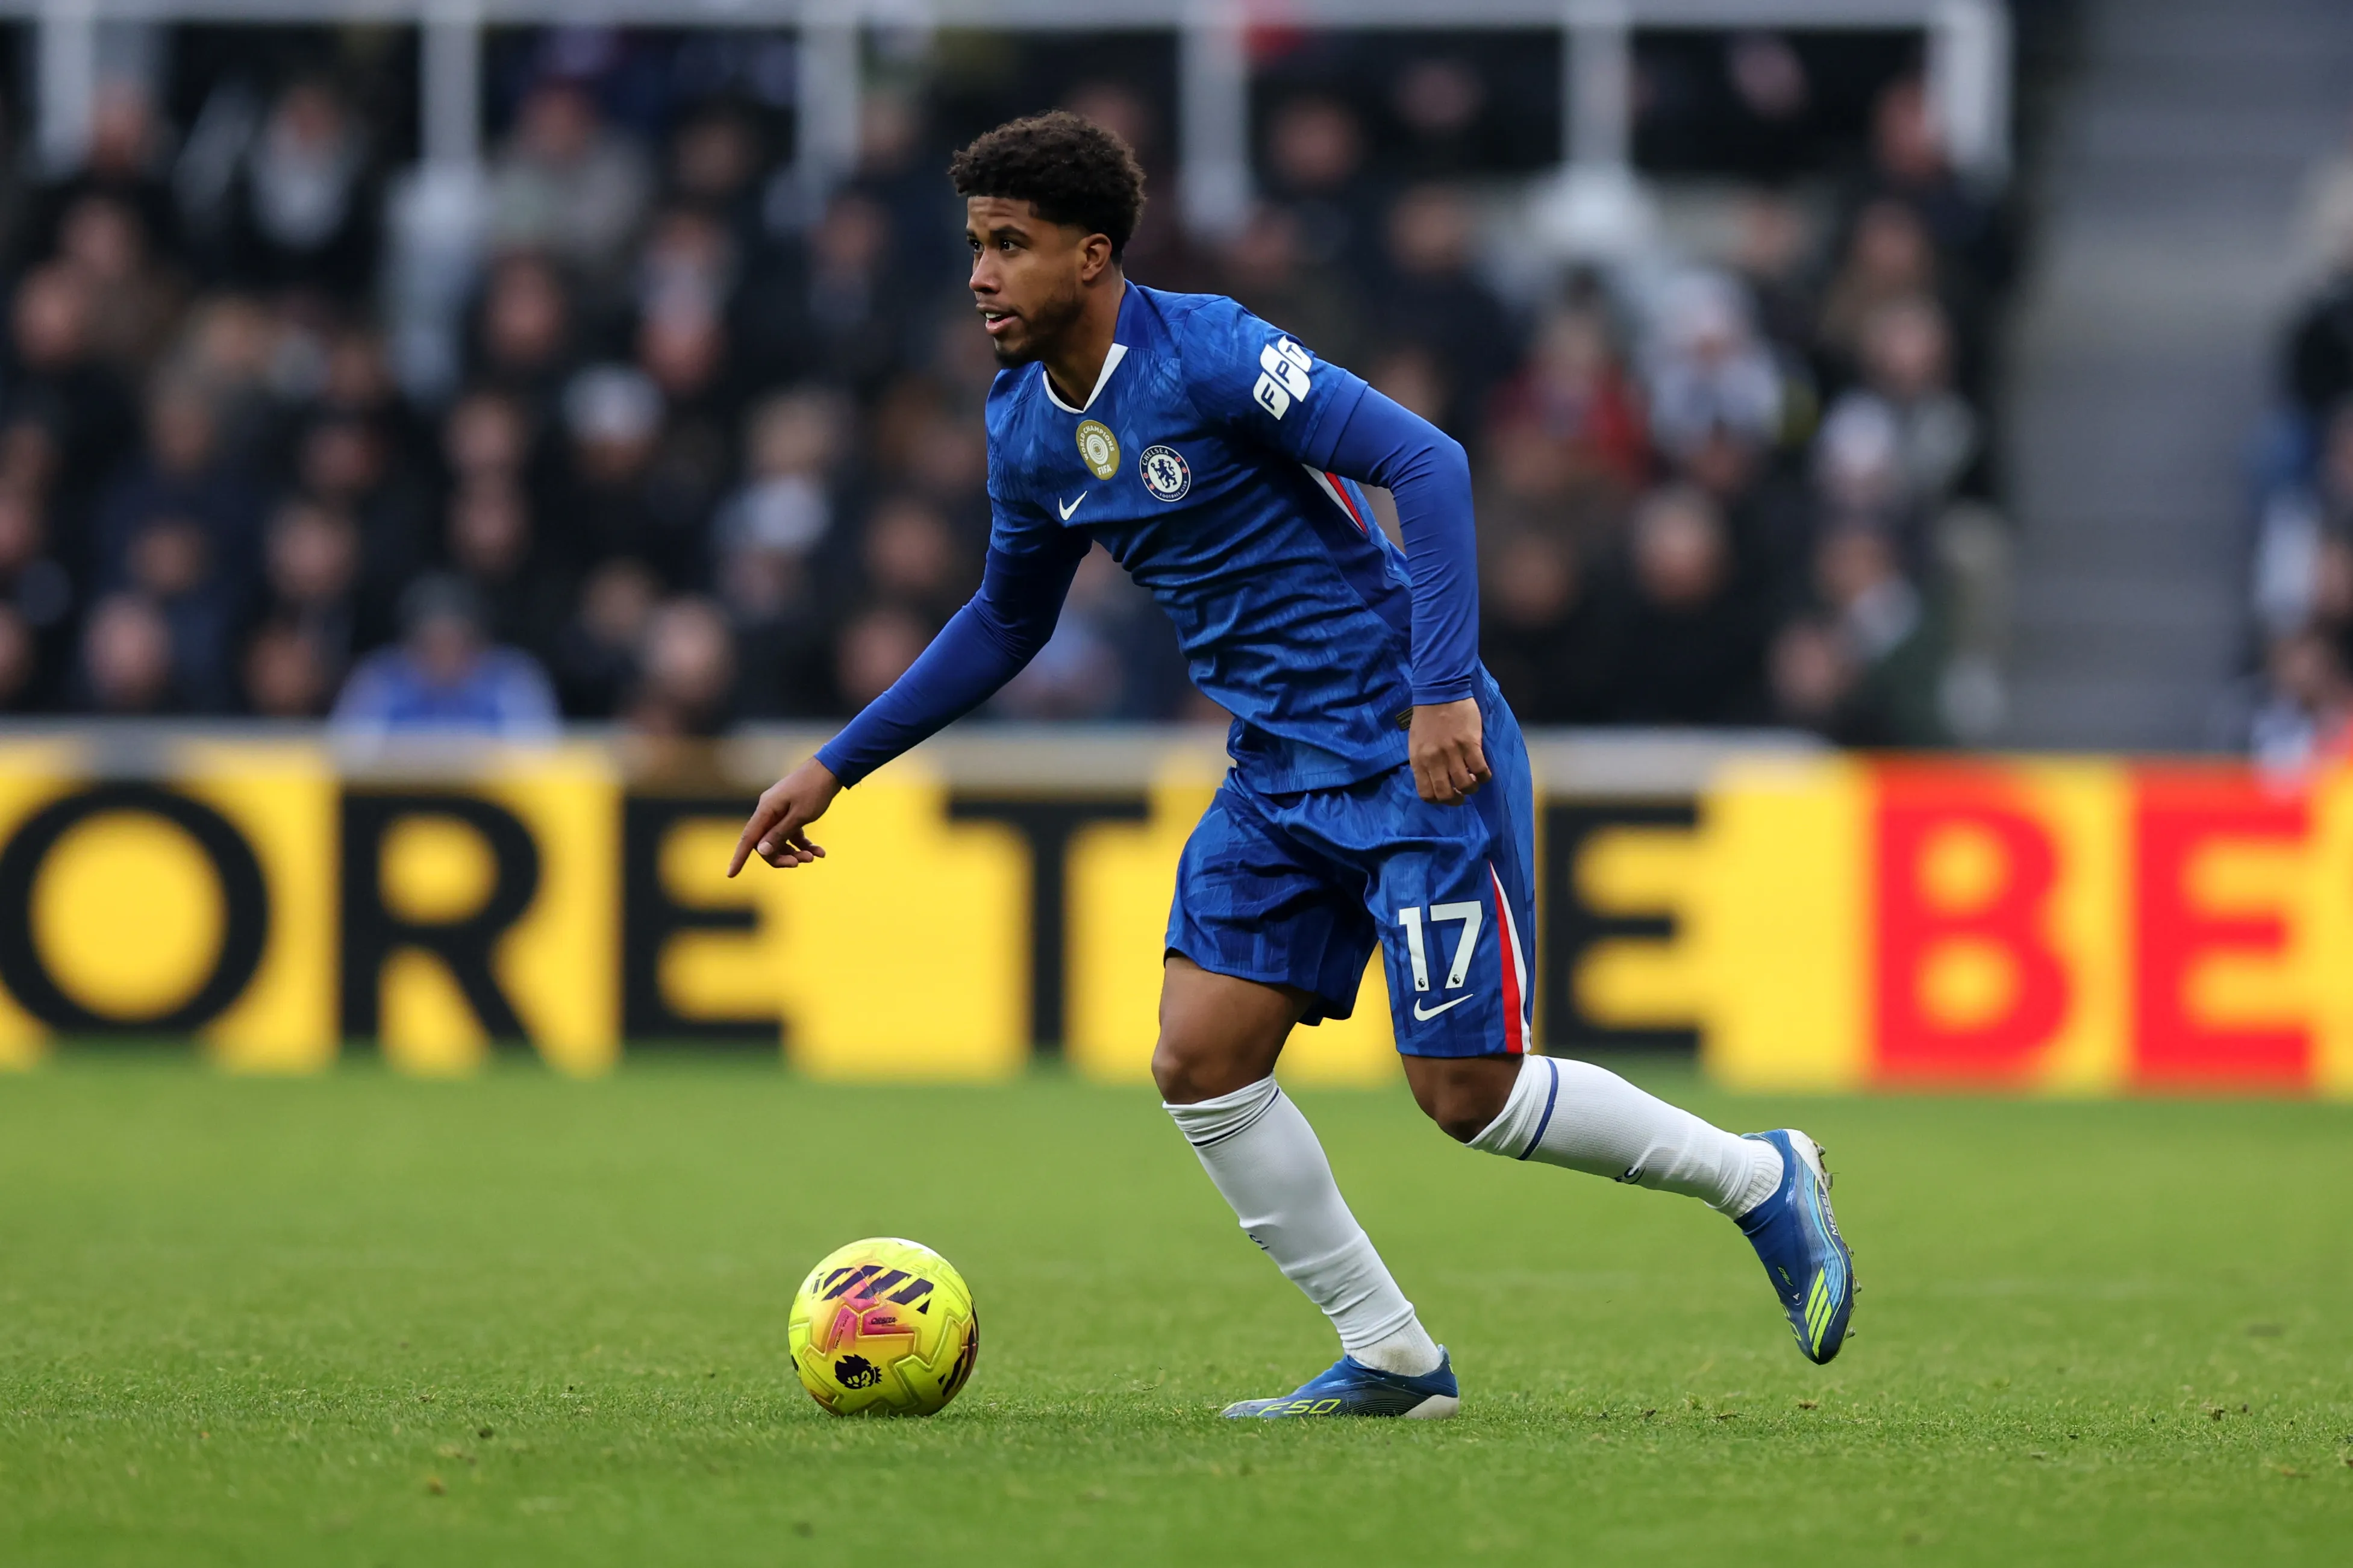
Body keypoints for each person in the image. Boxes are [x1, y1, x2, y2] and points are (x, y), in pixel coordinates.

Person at [727, 112, 1855, 1417]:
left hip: (1411, 746)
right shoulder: (1024, 426)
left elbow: (1425, 464)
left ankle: (1761, 1176)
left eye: (1009, 247)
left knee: (1466, 1093)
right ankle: (1391, 1356)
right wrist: (836, 763)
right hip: (1275, 769)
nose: (979, 274)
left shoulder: (1208, 351)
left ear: (1092, 257)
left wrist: (1441, 693)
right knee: (1198, 1057)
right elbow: (1006, 618)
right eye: (975, 245)